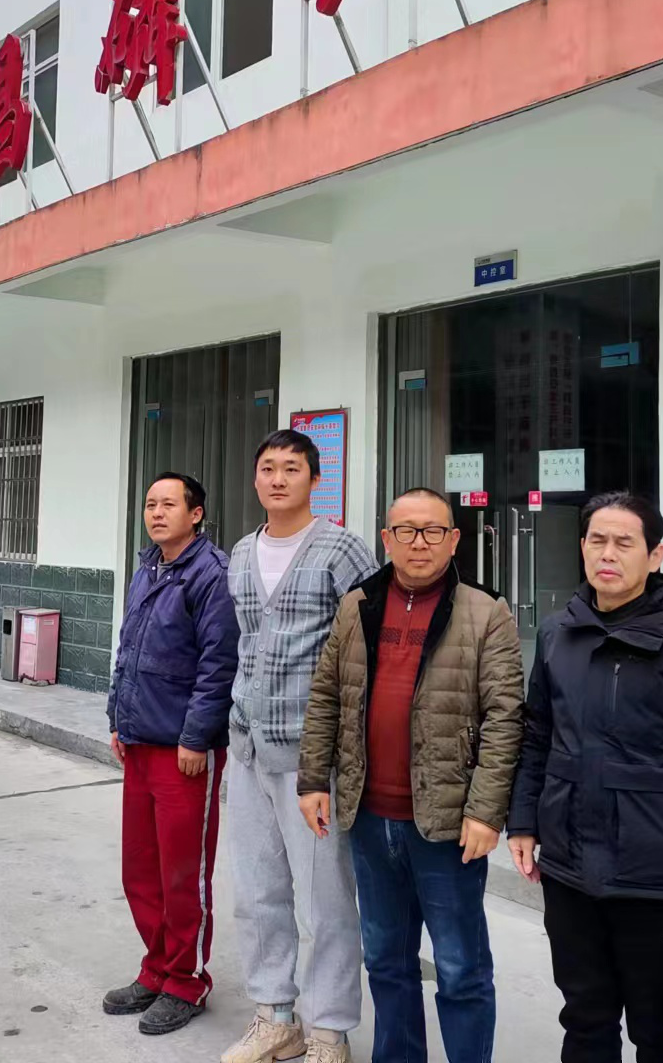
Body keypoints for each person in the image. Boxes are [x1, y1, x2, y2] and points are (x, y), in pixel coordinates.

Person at [508, 491, 663, 1063]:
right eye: (597, 540)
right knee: (584, 1018)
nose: (608, 554)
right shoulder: (558, 633)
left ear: (655, 555)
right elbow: (537, 734)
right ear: (582, 547)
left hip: (657, 873)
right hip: (570, 868)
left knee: (660, 1029)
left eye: (624, 542)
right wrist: (523, 820)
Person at [298, 488, 524, 1063]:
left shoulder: (486, 611)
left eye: (432, 531)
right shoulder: (357, 605)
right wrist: (313, 779)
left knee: (460, 967)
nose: (418, 542)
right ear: (386, 539)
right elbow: (326, 696)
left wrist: (485, 811)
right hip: (369, 818)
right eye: (405, 530)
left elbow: (505, 718)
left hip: (447, 825)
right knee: (385, 961)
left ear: (454, 540)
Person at [221, 430, 378, 1063]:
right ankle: (274, 1016)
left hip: (312, 760)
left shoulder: (341, 549)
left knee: (326, 901)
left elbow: (368, 648)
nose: (278, 478)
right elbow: (242, 645)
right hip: (247, 748)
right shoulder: (240, 552)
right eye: (268, 468)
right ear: (255, 479)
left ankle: (330, 1031)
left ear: (316, 479)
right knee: (257, 891)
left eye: (292, 468)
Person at [103, 472, 240, 1036]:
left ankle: (186, 980)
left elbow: (219, 663)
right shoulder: (148, 567)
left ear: (196, 513)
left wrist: (196, 737)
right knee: (141, 868)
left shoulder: (211, 574)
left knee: (184, 873)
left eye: (169, 504)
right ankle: (156, 967)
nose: (157, 513)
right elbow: (128, 649)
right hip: (140, 740)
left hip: (184, 750)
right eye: (150, 504)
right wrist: (118, 718)